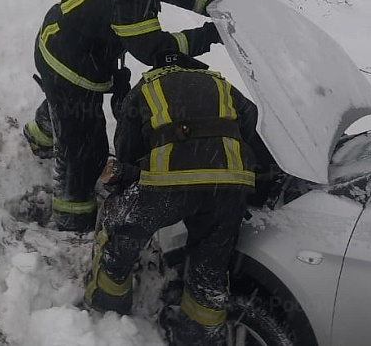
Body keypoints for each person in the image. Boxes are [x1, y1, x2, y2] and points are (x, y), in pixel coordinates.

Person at [22, 0, 225, 232]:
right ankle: (72, 217)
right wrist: (210, 35)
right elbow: (155, 49)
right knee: (84, 150)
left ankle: (41, 136)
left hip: (65, 42)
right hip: (70, 65)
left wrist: (222, 5)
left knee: (65, 107)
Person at [84, 50, 265, 346]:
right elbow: (250, 115)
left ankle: (107, 305)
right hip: (230, 186)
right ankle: (199, 335)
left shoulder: (147, 86)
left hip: (167, 185)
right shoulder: (220, 83)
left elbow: (127, 148)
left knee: (120, 230)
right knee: (210, 265)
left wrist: (133, 174)